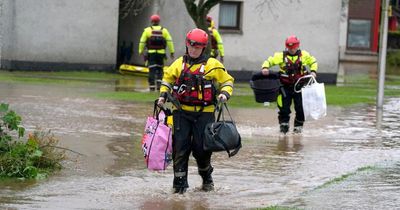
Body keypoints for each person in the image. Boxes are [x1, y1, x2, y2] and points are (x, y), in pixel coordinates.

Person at [157, 28, 234, 194]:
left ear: (203, 48)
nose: (193, 49)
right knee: (180, 148)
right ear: (187, 45)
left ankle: (207, 179)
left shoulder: (213, 65)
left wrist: (224, 93)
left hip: (204, 114)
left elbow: (227, 81)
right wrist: (163, 95)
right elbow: (167, 79)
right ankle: (179, 187)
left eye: (197, 47)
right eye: (191, 46)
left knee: (201, 149)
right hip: (181, 113)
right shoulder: (179, 64)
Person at [261, 35, 318, 134]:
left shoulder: (304, 55)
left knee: (301, 108)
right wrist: (265, 68)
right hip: (284, 87)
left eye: (293, 48)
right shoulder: (280, 56)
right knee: (284, 108)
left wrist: (313, 71)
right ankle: (284, 127)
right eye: (289, 48)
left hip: (300, 88)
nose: (291, 50)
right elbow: (269, 60)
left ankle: (298, 128)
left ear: (298, 46)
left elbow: (313, 61)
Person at [139, 14, 175, 91]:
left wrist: (140, 51)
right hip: (161, 54)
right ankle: (159, 86)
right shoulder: (164, 31)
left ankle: (152, 87)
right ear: (159, 21)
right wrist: (172, 52)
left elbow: (142, 42)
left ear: (151, 21)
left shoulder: (147, 30)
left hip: (151, 53)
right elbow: (169, 41)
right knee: (160, 69)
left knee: (152, 69)